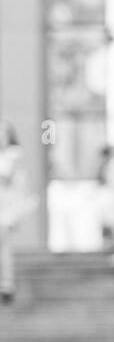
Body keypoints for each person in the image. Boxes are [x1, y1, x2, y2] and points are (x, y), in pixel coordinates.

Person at [0, 122, 36, 305]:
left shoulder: (14, 154)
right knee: (4, 245)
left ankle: (7, 283)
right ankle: (6, 284)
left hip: (8, 207)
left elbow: (10, 179)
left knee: (3, 242)